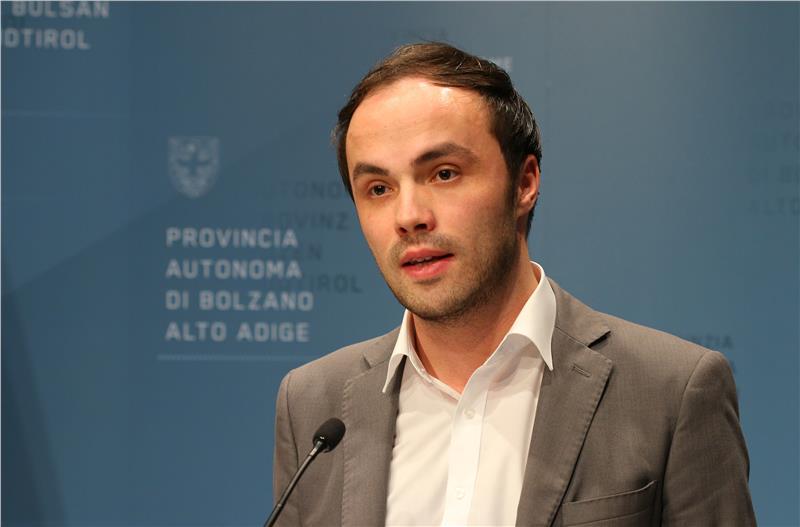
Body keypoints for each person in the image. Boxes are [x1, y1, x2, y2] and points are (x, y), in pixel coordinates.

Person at [271, 42, 756, 526]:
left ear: (524, 183)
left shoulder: (671, 391)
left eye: (444, 174)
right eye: (378, 189)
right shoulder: (311, 404)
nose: (409, 216)